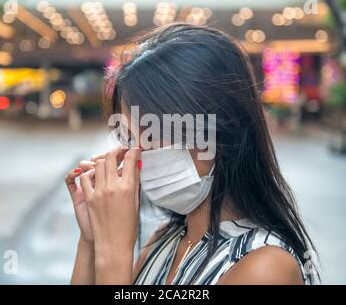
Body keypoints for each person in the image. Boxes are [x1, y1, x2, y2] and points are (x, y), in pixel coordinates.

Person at [66, 23, 318, 285]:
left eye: (151, 135)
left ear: (219, 132)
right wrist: (92, 240)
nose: (135, 154)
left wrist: (114, 252)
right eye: (129, 137)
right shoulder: (166, 239)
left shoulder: (266, 268)